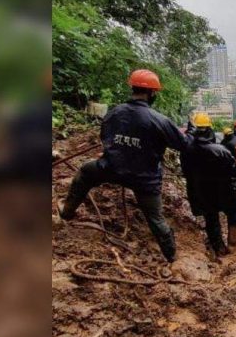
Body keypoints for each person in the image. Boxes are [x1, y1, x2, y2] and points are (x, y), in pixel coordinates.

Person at [58, 69, 187, 262]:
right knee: (156, 218)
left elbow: (105, 137)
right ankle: (171, 257)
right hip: (144, 179)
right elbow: (182, 144)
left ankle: (67, 212)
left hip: (111, 168)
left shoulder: (114, 112)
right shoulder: (159, 120)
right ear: (152, 93)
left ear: (132, 88)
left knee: (85, 172)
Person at [180, 113, 236, 260]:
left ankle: (219, 248)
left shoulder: (187, 150)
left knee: (211, 218)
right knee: (234, 213)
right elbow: (235, 170)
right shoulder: (220, 150)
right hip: (224, 189)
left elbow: (185, 170)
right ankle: (232, 244)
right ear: (210, 130)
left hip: (201, 190)